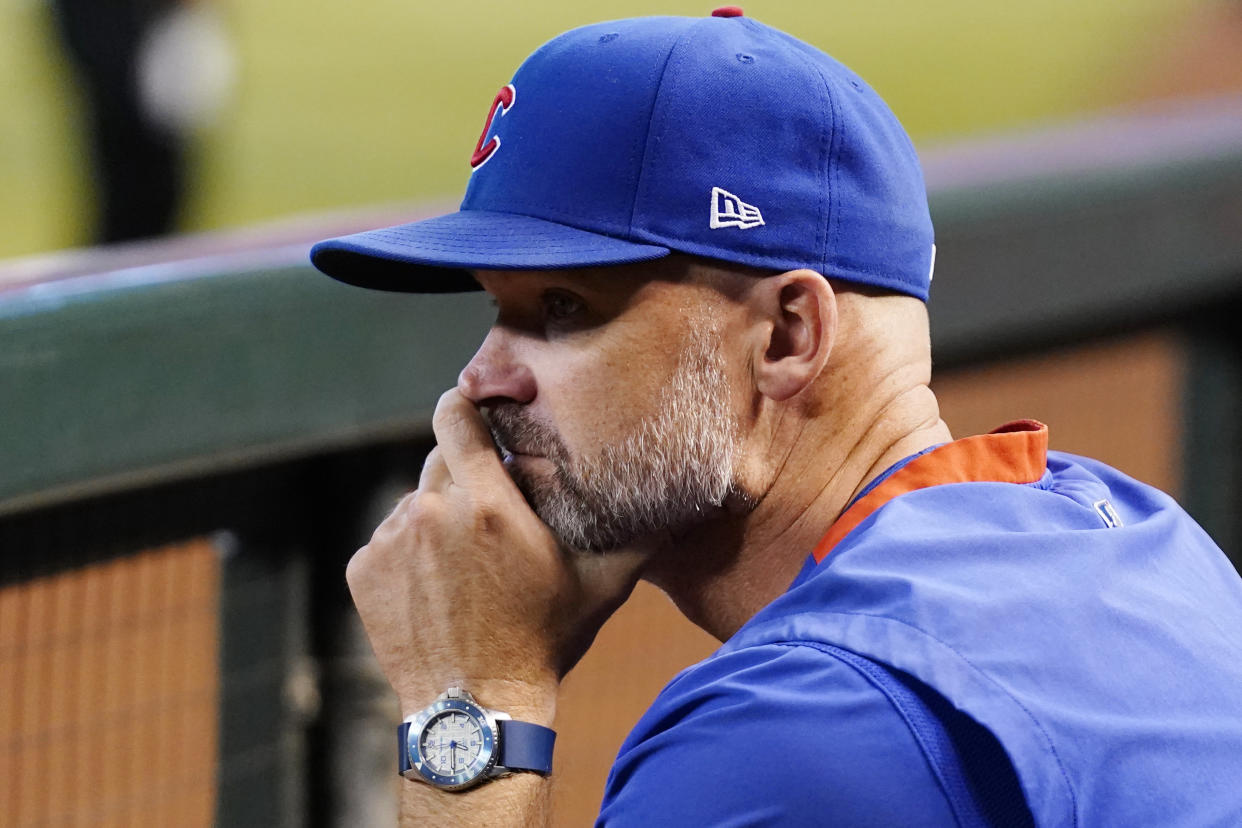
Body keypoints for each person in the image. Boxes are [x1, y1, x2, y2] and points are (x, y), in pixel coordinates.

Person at [310, 9, 1242, 826]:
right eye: (494, 310)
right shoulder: (1134, 537)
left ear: (789, 335)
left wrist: (475, 703)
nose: (480, 381)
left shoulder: (801, 732)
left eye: (564, 309)